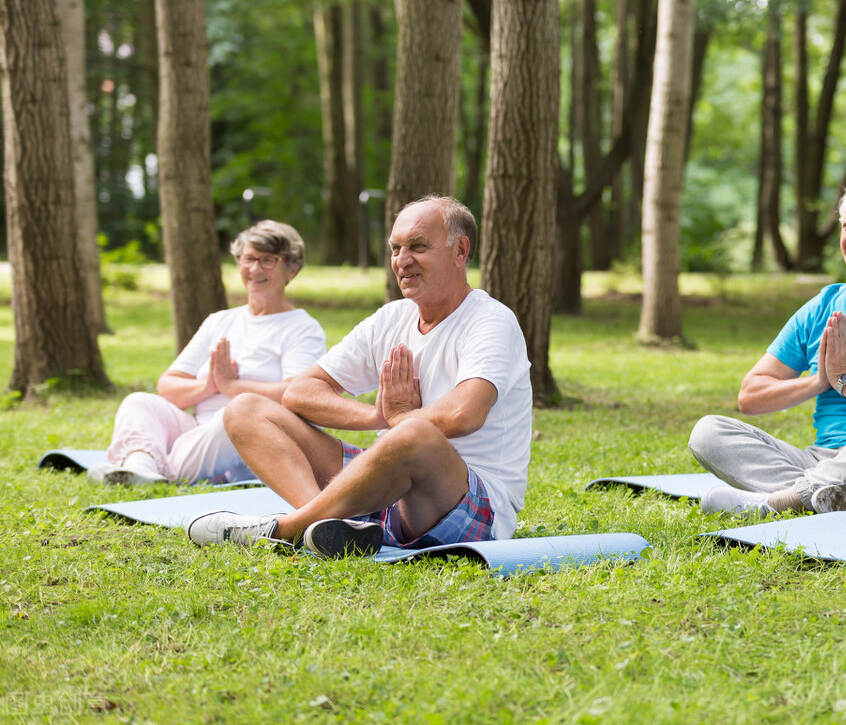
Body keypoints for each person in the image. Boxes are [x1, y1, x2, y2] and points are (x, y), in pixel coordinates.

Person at [185, 195, 532, 559]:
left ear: (460, 251)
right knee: (245, 410)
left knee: (415, 434)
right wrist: (378, 417)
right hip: (387, 490)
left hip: (469, 506)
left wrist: (401, 421)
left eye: (417, 246)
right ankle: (325, 527)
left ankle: (286, 530)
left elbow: (464, 414)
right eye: (396, 248)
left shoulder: (490, 321)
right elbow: (300, 392)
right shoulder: (392, 318)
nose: (402, 260)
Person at [689, 178, 846, 517]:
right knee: (707, 432)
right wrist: (818, 382)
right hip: (820, 461)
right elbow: (750, 395)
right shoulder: (821, 306)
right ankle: (838, 500)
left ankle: (782, 501)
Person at [89, 220, 327, 486]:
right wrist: (209, 385)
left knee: (237, 414)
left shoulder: (303, 328)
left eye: (268, 260)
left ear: (292, 269)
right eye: (248, 258)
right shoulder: (220, 321)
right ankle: (141, 467)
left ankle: (149, 468)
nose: (255, 269)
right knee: (138, 402)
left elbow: (297, 395)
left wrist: (232, 387)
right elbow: (168, 386)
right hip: (198, 430)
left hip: (249, 436)